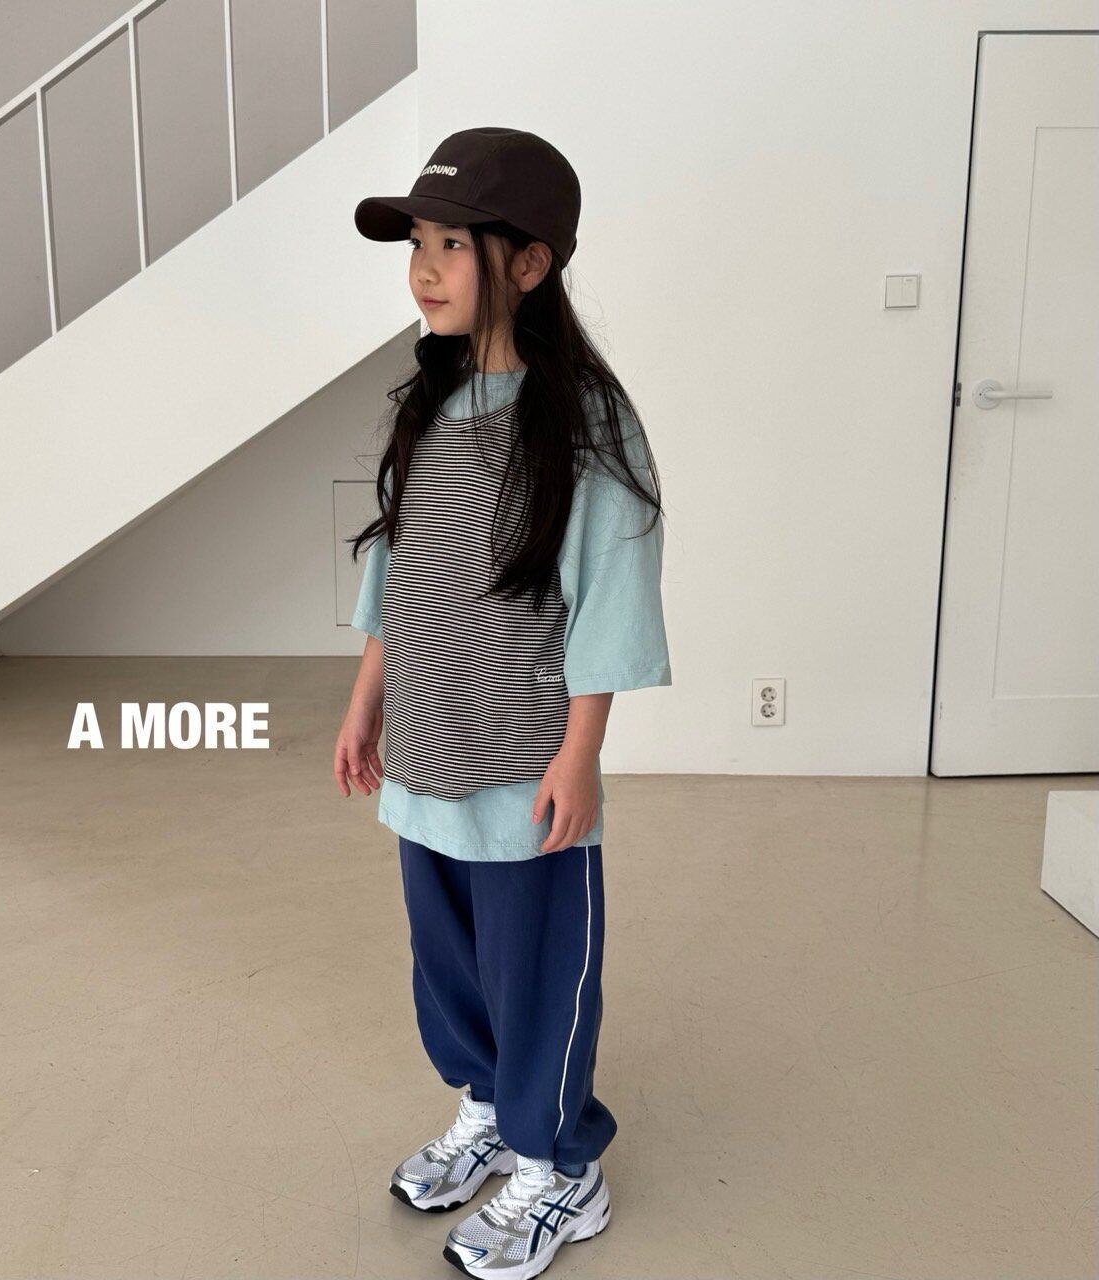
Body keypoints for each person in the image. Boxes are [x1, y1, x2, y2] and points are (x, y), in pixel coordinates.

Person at [333, 126, 672, 1280]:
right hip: (426, 748)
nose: (423, 268)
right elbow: (397, 570)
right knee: (448, 962)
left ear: (527, 263)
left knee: (535, 970)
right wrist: (365, 701)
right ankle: (486, 1106)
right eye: (415, 244)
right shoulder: (427, 405)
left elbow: (610, 594)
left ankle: (560, 1163)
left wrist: (579, 755)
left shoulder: (582, 423)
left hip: (523, 761)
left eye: (450, 245)